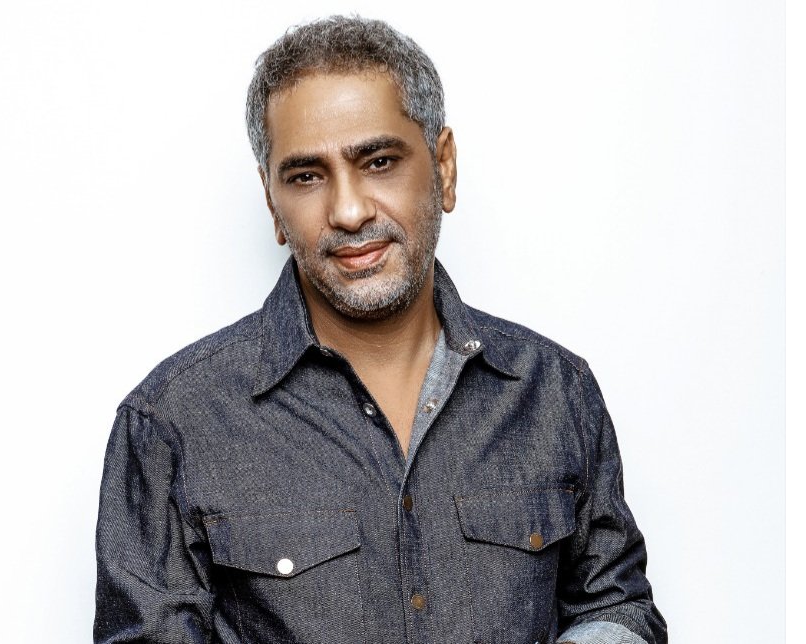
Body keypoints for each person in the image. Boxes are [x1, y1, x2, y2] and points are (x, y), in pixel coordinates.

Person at [94, 15, 667, 644]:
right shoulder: (173, 422)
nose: (347, 211)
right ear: (272, 201)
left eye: (379, 161)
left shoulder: (554, 390)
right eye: (306, 176)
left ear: (444, 167)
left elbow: (615, 604)